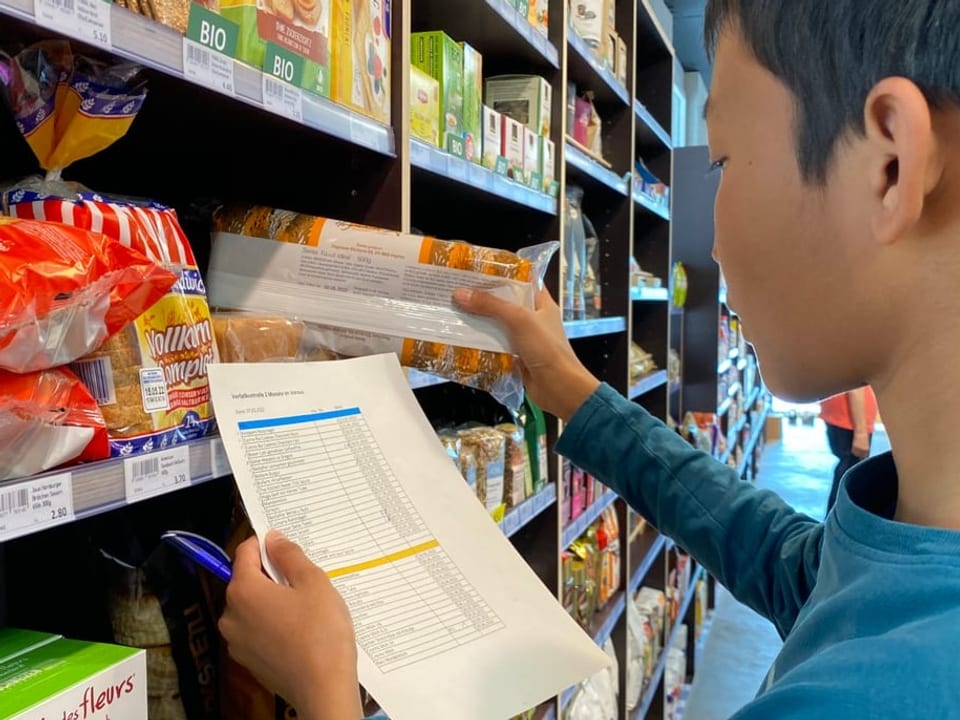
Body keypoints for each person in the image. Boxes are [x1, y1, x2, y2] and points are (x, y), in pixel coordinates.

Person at [219, 1, 960, 717]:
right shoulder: (908, 546)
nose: (714, 246)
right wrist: (574, 391)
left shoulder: (876, 697)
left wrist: (323, 691)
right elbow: (780, 556)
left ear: (890, 162)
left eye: (726, 163)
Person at [820, 386, 879, 511]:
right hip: (850, 421)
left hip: (843, 417)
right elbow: (856, 386)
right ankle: (837, 523)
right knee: (851, 474)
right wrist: (861, 432)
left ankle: (835, 522)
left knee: (848, 470)